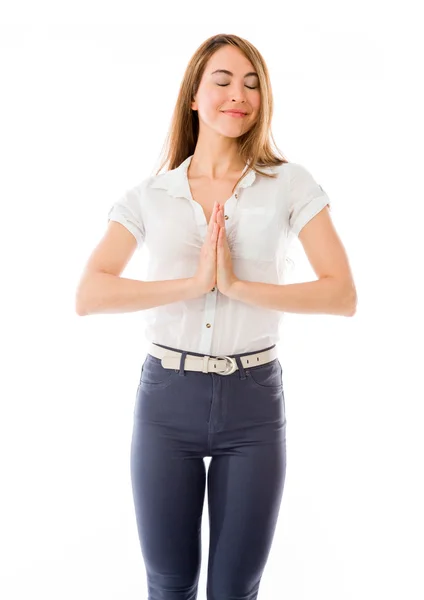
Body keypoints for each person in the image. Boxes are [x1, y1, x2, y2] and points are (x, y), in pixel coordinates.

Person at [75, 33, 357, 600]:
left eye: (252, 84)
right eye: (222, 81)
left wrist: (237, 286)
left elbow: (341, 294)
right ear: (194, 97)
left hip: (253, 402)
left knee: (234, 589)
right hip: (166, 400)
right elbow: (90, 294)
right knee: (170, 583)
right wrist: (196, 284)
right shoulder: (151, 194)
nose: (239, 95)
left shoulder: (290, 184)